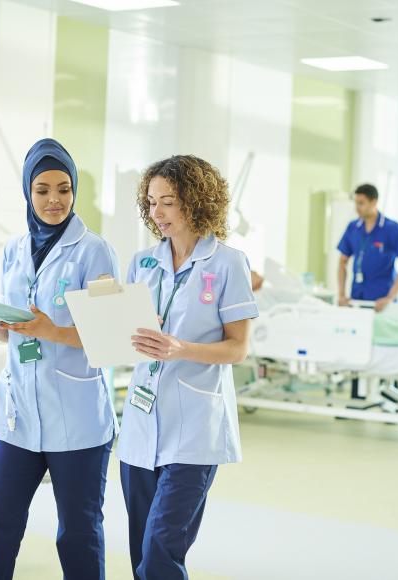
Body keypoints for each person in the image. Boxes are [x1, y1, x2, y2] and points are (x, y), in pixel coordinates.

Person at [0, 138, 119, 580]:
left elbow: (111, 339)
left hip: (77, 420)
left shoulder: (96, 252)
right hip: (15, 419)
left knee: (77, 534)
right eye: (43, 190)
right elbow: (15, 326)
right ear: (27, 194)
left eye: (64, 189)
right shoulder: (13, 250)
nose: (54, 200)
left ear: (75, 191)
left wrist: (51, 331)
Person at [117, 155, 258, 579]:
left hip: (195, 427)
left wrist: (180, 348)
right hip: (142, 425)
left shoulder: (228, 263)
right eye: (152, 202)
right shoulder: (142, 262)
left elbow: (238, 350)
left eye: (169, 202)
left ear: (196, 201)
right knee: (141, 553)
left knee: (161, 551)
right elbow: (128, 337)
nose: (157, 213)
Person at [337, 183, 398, 312]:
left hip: (382, 302)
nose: (357, 208)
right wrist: (341, 294)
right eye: (356, 203)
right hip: (357, 299)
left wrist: (390, 296)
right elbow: (342, 261)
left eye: (361, 203)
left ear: (374, 202)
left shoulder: (392, 229)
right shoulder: (353, 228)